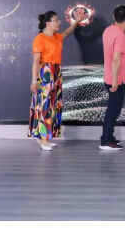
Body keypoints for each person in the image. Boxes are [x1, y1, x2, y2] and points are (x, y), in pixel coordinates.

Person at [28, 8, 86, 151]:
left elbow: (67, 32)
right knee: (45, 105)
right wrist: (34, 81)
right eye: (56, 20)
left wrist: (76, 22)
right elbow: (36, 62)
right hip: (46, 72)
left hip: (56, 72)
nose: (59, 23)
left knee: (54, 105)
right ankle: (43, 139)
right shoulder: (40, 38)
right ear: (48, 23)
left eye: (59, 20)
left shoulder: (56, 37)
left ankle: (45, 137)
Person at [99, 5, 125, 151]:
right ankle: (106, 140)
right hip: (116, 79)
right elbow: (116, 59)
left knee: (113, 109)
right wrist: (115, 81)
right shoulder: (120, 36)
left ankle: (109, 137)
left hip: (109, 76)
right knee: (113, 110)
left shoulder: (108, 30)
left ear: (114, 17)